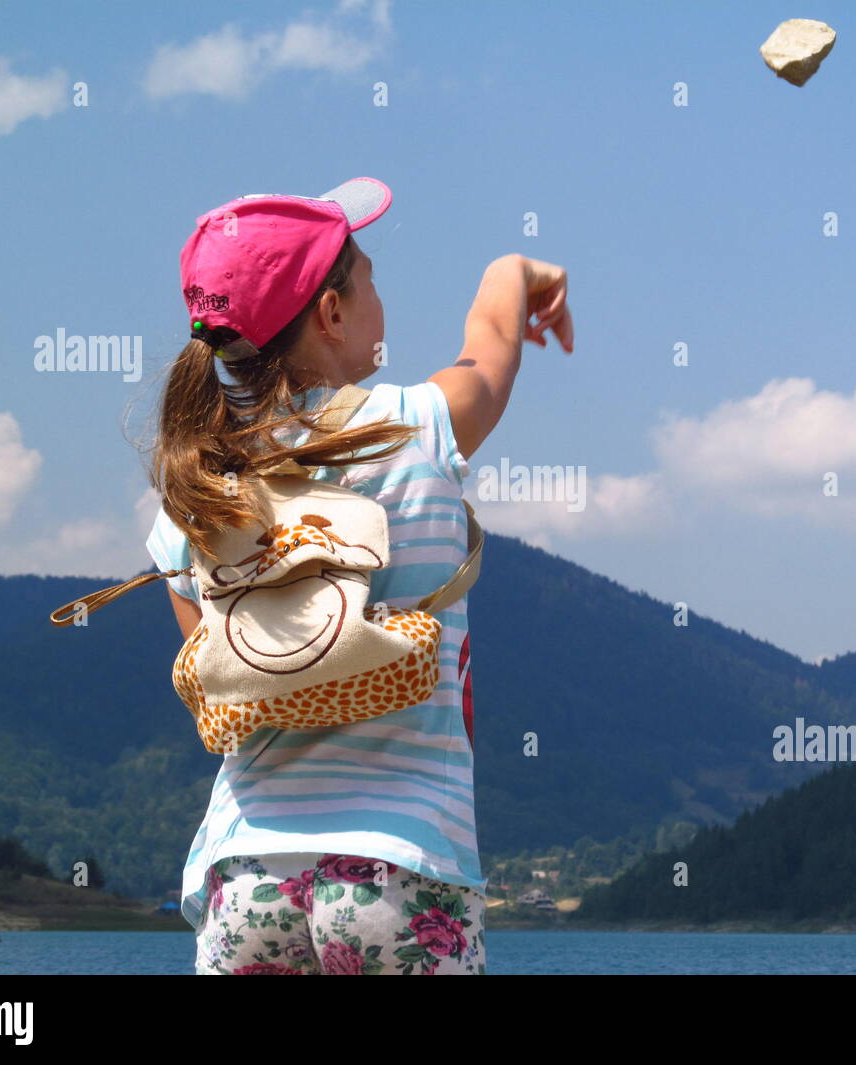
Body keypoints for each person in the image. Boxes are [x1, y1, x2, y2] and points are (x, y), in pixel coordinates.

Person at [143, 177, 573, 974]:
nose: (382, 299)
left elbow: (232, 694)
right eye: (370, 279)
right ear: (332, 314)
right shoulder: (418, 425)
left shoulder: (194, 491)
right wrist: (516, 271)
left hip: (249, 876)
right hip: (400, 868)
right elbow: (492, 351)